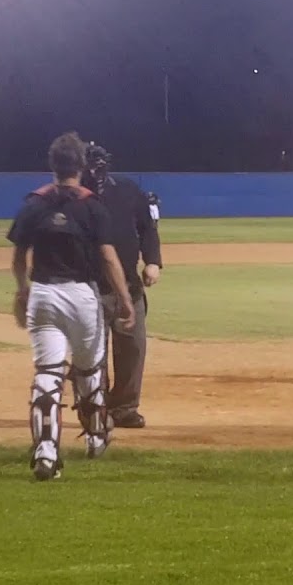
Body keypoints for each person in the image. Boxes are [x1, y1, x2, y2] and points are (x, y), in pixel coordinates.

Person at [7, 132, 135, 481]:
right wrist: (124, 300)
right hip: (81, 297)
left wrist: (22, 291)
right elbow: (108, 258)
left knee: (47, 373)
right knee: (88, 370)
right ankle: (95, 437)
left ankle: (46, 453)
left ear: (53, 165)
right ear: (80, 166)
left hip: (44, 295)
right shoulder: (92, 205)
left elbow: (19, 256)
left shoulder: (35, 203)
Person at [82, 142, 163, 429]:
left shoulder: (127, 190)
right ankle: (95, 407)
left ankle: (125, 408)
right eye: (90, 163)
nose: (96, 169)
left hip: (128, 284)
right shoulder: (73, 195)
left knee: (133, 349)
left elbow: (147, 230)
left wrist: (153, 261)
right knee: (93, 354)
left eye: (99, 162)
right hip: (88, 287)